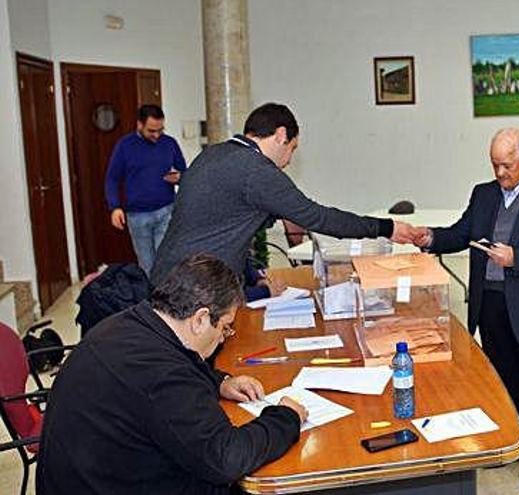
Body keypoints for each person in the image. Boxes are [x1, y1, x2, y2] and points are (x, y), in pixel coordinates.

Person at [37, 254, 308, 494]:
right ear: (201, 319)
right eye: (225, 327)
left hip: (90, 477)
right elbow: (226, 458)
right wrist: (286, 417)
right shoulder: (163, 374)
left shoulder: (131, 323)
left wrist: (220, 382)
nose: (224, 338)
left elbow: (169, 374)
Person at [413, 128, 519, 491]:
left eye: (507, 166)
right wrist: (431, 237)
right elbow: (461, 233)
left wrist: (518, 257)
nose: (500, 174)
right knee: (504, 380)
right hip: (490, 303)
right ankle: (515, 442)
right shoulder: (483, 194)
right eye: (495, 165)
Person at [150, 103, 416, 285]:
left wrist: (253, 276)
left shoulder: (216, 153)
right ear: (280, 135)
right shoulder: (255, 170)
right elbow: (318, 218)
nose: (289, 160)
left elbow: (224, 228)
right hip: (194, 288)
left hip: (171, 274)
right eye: (293, 148)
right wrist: (385, 227)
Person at [105, 104, 187, 275]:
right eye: (151, 131)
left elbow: (184, 172)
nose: (156, 135)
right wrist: (115, 207)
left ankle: (168, 300)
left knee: (166, 262)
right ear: (139, 125)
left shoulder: (169, 143)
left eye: (160, 130)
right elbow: (112, 179)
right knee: (147, 265)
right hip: (137, 215)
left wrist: (178, 177)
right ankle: (152, 300)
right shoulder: (125, 146)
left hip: (166, 210)